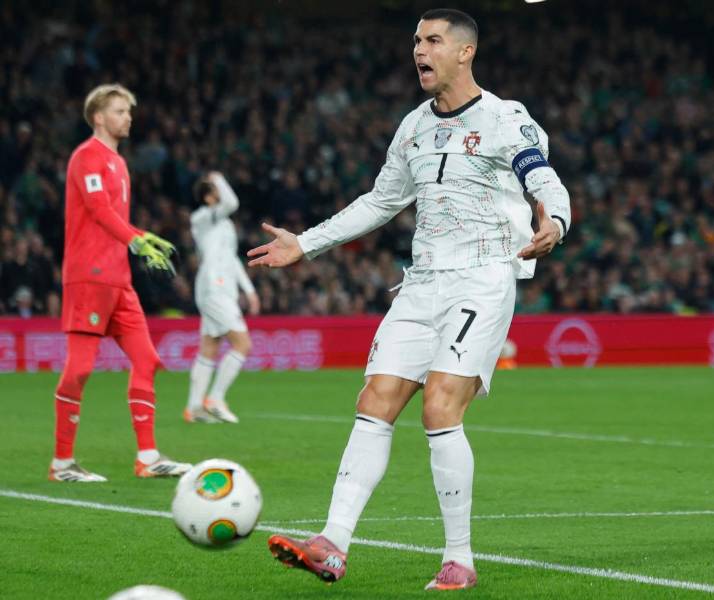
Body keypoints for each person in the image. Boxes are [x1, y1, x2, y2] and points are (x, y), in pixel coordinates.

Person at [249, 8, 570, 590]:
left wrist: (558, 222)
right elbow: (381, 200)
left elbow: (540, 175)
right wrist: (307, 244)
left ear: (465, 52)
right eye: (415, 40)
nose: (418, 50)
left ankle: (459, 558)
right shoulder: (414, 126)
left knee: (440, 405)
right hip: (421, 282)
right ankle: (332, 543)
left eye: (432, 40)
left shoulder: (505, 118)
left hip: (482, 277)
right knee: (375, 399)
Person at [50, 83, 192, 482]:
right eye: (118, 111)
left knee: (148, 360)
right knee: (79, 370)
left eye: (127, 111)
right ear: (98, 117)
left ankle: (147, 457)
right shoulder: (86, 157)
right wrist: (135, 239)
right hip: (89, 276)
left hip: (119, 280)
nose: (127, 117)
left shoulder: (118, 162)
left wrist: (140, 237)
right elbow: (96, 210)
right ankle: (62, 464)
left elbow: (112, 216)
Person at [184, 172, 259, 424]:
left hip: (222, 287)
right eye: (215, 190)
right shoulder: (202, 218)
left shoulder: (224, 224)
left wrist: (248, 290)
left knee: (210, 346)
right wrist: (219, 178)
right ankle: (215, 398)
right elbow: (232, 203)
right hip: (212, 287)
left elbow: (232, 259)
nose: (220, 192)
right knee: (242, 344)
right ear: (208, 197)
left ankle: (194, 408)